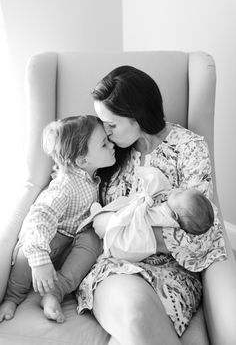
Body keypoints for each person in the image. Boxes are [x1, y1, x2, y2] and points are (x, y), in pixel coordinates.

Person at [75, 66, 227, 345]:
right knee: (135, 314)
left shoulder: (189, 149)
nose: (105, 134)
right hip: (114, 268)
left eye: (111, 125)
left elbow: (201, 235)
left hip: (172, 273)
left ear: (138, 116)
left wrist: (129, 236)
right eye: (102, 123)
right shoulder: (107, 153)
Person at [0, 115, 115, 324]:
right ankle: (12, 297)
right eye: (104, 144)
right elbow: (40, 218)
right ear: (82, 160)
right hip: (49, 240)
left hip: (72, 241)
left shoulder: (90, 178)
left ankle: (55, 292)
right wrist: (40, 259)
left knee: (92, 242)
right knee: (26, 256)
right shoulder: (66, 185)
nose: (112, 144)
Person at [80, 166, 215, 263]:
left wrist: (145, 200)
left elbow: (144, 217)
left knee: (109, 220)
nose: (178, 189)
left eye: (179, 193)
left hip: (126, 240)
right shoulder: (171, 208)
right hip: (125, 240)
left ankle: (97, 216)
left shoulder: (165, 217)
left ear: (176, 215)